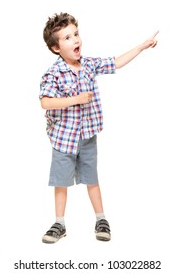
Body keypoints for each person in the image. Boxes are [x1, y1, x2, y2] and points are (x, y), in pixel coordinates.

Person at [39, 12, 158, 244]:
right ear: (56, 48)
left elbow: (116, 62)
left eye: (76, 34)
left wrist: (142, 46)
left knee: (92, 179)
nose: (76, 40)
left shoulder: (89, 65)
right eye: (67, 38)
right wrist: (76, 99)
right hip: (63, 139)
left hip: (87, 136)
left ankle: (101, 219)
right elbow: (45, 102)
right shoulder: (53, 73)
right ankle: (59, 223)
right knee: (61, 181)